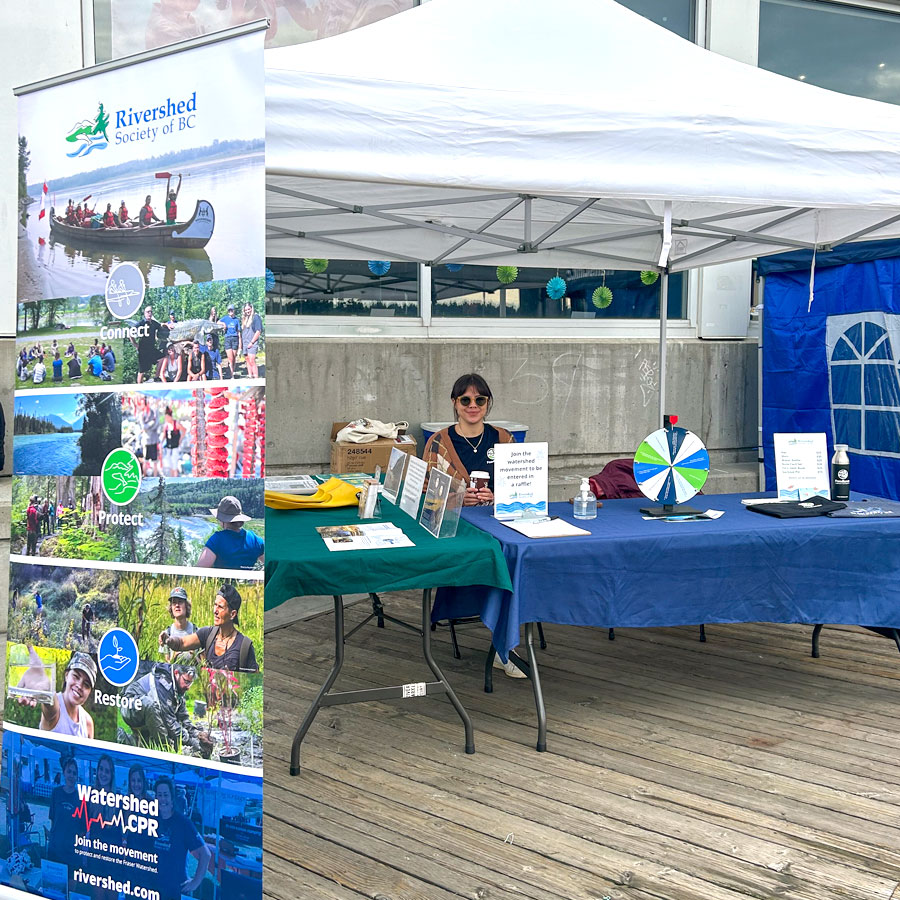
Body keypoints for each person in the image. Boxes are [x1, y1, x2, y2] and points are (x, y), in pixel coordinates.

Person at [422, 374, 524, 678]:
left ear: (488, 403)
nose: (472, 406)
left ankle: (505, 645)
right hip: (459, 526)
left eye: (480, 400)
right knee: (495, 557)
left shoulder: (504, 438)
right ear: (455, 403)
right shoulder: (438, 442)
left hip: (499, 522)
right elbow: (427, 495)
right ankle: (503, 641)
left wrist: (498, 496)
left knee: (516, 557)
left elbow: (522, 486)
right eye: (465, 399)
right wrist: (457, 497)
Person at [119, 656, 213, 758]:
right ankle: (163, 748)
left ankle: (130, 739)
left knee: (145, 746)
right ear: (177, 673)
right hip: (130, 707)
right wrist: (191, 742)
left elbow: (183, 717)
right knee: (166, 745)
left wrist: (197, 735)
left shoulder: (178, 687)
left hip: (148, 714)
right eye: (186, 681)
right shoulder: (162, 683)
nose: (188, 687)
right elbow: (170, 722)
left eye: (191, 683)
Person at [160, 583, 258, 672]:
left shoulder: (244, 646)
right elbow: (181, 643)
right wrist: (168, 640)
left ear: (232, 614)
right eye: (215, 605)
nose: (215, 611)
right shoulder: (207, 634)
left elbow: (254, 681)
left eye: (220, 607)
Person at [151, 776, 212, 900]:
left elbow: (205, 854)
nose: (162, 799)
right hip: (152, 887)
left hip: (174, 890)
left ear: (172, 798)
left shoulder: (183, 823)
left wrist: (195, 882)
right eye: (159, 795)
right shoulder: (151, 819)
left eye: (165, 795)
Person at [16, 648, 97, 737]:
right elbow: (51, 706)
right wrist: (46, 688)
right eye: (76, 676)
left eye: (86, 684)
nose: (79, 686)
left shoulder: (87, 722)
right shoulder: (56, 705)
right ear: (66, 675)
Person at [197, 497, 264, 570]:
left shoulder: (217, 539)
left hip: (222, 581)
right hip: (246, 581)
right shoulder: (255, 540)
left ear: (223, 520)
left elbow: (200, 570)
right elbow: (271, 563)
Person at [47, 756, 80, 868]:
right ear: (64, 773)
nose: (71, 775)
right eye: (69, 772)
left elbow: (82, 828)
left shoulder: (80, 798)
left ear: (77, 777)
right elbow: (52, 819)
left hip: (71, 851)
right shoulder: (56, 793)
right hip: (55, 848)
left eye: (74, 773)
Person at [161, 587, 198, 653]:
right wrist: (174, 657)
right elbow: (165, 662)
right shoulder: (166, 634)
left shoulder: (196, 632)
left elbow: (203, 662)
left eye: (180, 602)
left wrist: (194, 657)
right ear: (171, 607)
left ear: (186, 606)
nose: (177, 605)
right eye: (174, 602)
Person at [131, 306, 163, 383]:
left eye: (151, 312)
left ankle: (156, 377)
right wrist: (135, 344)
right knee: (142, 370)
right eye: (148, 312)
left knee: (162, 358)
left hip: (151, 349)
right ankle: (139, 387)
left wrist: (168, 325)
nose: (149, 313)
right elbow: (130, 333)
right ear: (144, 313)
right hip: (143, 350)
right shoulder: (140, 323)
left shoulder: (154, 323)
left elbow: (161, 325)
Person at [240, 302, 262, 378]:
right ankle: (250, 376)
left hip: (252, 342)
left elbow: (258, 331)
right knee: (247, 360)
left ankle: (256, 379)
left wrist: (252, 342)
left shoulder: (256, 317)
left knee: (252, 360)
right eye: (246, 310)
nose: (247, 311)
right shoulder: (245, 319)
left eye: (249, 309)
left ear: (251, 308)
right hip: (245, 343)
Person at [219, 303, 240, 377]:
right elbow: (217, 322)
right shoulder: (225, 318)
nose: (230, 311)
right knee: (230, 358)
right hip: (228, 338)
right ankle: (231, 375)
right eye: (229, 310)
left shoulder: (236, 320)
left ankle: (232, 371)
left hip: (235, 339)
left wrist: (240, 344)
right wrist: (223, 324)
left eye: (232, 310)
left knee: (234, 358)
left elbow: (238, 332)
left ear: (234, 311)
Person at [141, 404, 162, 476]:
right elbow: (144, 427)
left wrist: (150, 426)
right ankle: (144, 476)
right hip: (146, 442)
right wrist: (151, 423)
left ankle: (155, 477)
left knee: (155, 462)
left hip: (153, 441)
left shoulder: (153, 413)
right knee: (145, 461)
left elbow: (156, 424)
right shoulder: (142, 414)